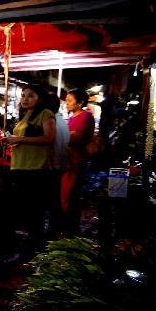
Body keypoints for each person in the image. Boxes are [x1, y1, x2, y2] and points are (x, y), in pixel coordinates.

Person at [6, 85, 56, 242]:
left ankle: (37, 247)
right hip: (20, 166)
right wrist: (10, 141)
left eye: (30, 96)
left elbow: (49, 138)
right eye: (23, 95)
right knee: (25, 209)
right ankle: (30, 243)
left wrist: (19, 139)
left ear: (39, 98)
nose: (25, 99)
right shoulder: (24, 116)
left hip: (36, 169)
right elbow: (23, 140)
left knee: (35, 211)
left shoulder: (46, 114)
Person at [62, 88, 95, 232]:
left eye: (70, 100)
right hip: (67, 161)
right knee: (65, 194)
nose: (66, 103)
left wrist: (57, 135)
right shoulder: (72, 117)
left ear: (80, 102)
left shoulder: (85, 116)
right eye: (66, 100)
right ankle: (67, 227)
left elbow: (77, 136)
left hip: (75, 161)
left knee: (70, 195)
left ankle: (70, 229)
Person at [45, 94, 69, 234]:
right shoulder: (61, 122)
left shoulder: (53, 123)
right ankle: (53, 231)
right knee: (54, 202)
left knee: (51, 203)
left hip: (52, 167)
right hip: (58, 167)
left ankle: (51, 233)